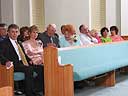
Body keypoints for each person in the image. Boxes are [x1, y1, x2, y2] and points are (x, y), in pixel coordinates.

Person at [0, 24, 39, 96]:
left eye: (16, 32)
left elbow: (23, 54)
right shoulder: (3, 43)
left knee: (39, 68)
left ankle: (36, 90)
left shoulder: (19, 42)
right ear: (8, 33)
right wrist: (6, 61)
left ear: (18, 33)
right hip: (13, 64)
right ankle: (29, 93)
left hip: (22, 62)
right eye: (12, 32)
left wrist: (29, 60)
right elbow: (0, 55)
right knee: (29, 69)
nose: (15, 34)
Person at [22, 25, 44, 93]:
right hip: (32, 62)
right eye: (33, 32)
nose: (35, 34)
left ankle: (48, 88)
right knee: (42, 69)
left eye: (37, 32)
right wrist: (38, 57)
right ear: (29, 33)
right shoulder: (25, 43)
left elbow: (43, 53)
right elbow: (28, 55)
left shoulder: (39, 42)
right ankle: (38, 89)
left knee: (50, 68)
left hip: (42, 61)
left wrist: (43, 60)